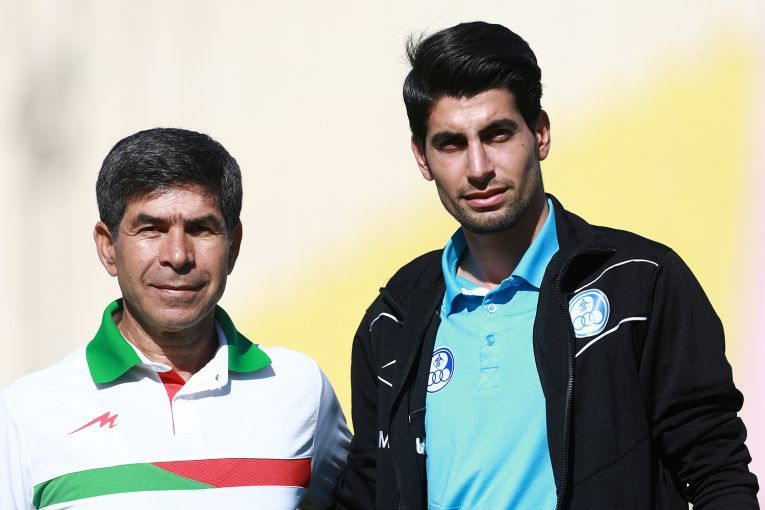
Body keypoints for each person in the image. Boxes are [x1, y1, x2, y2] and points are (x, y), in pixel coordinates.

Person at [334, 22, 759, 509]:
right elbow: (368, 490)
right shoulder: (392, 321)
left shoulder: (639, 283)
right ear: (422, 157)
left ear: (540, 133)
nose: (478, 168)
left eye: (498, 134)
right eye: (451, 143)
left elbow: (716, 469)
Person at [0, 128, 350, 509]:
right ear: (108, 247)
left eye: (201, 229)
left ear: (233, 245)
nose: (178, 255)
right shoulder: (27, 412)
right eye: (151, 229)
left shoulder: (301, 391)